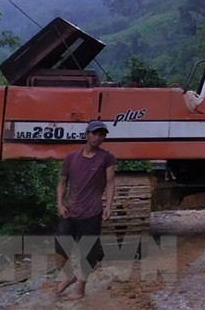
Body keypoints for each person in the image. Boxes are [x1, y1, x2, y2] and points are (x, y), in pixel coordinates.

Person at [54, 120, 116, 300]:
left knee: (88, 253)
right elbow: (62, 182)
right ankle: (69, 277)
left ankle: (81, 286)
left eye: (102, 134)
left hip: (92, 213)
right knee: (59, 249)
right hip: (70, 211)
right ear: (87, 134)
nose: (98, 137)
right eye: (95, 133)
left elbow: (110, 183)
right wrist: (59, 203)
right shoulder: (72, 157)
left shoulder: (106, 157)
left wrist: (108, 206)